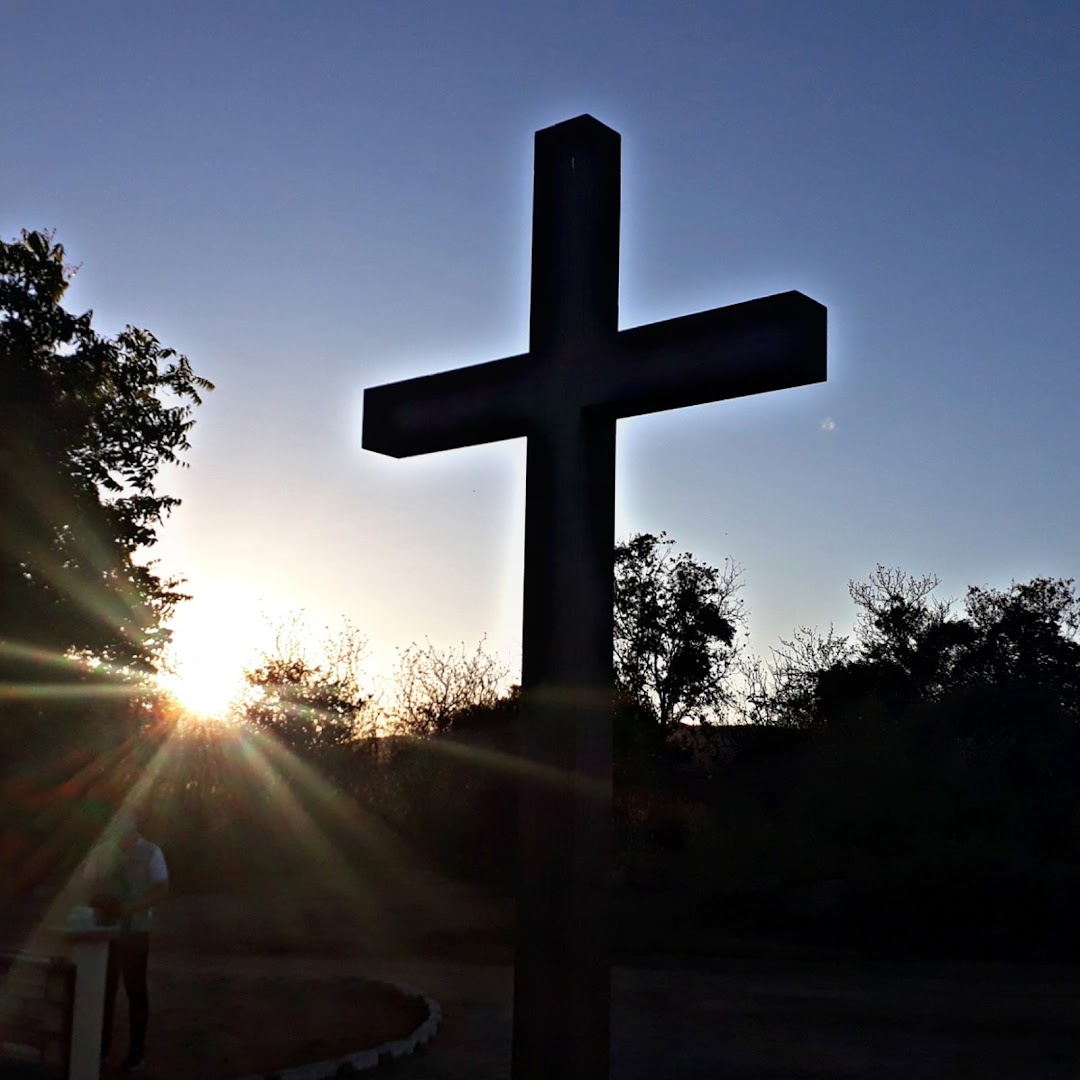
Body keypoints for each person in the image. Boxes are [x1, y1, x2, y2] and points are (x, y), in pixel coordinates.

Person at [84, 811, 169, 1072]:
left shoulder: (152, 852)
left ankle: (136, 1052)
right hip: (104, 930)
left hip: (135, 931)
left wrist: (131, 907)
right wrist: (101, 902)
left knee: (135, 991)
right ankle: (100, 1049)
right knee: (103, 990)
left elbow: (162, 888)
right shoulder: (101, 853)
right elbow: (89, 883)